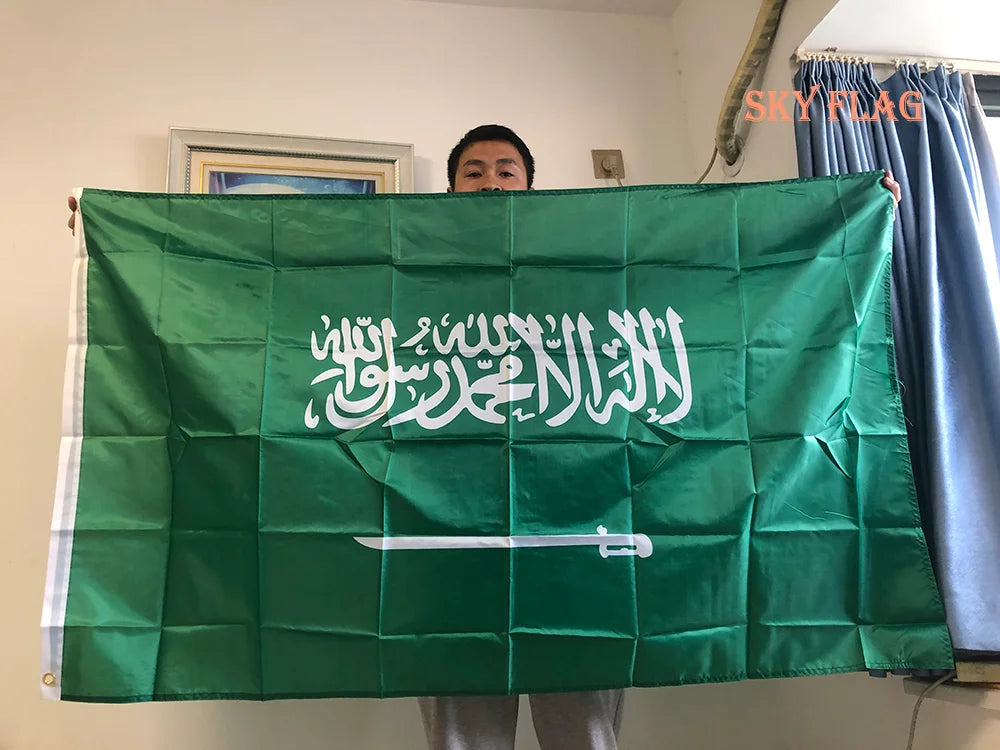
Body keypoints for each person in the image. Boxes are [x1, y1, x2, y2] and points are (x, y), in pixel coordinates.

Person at [63, 126, 903, 750]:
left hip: (575, 554)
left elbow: (712, 283)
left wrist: (854, 216)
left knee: (586, 734)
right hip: (445, 559)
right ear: (451, 186)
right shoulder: (402, 273)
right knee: (464, 738)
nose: (490, 180)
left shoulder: (589, 269)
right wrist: (109, 233)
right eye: (474, 170)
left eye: (506, 170)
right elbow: (273, 294)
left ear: (532, 186)